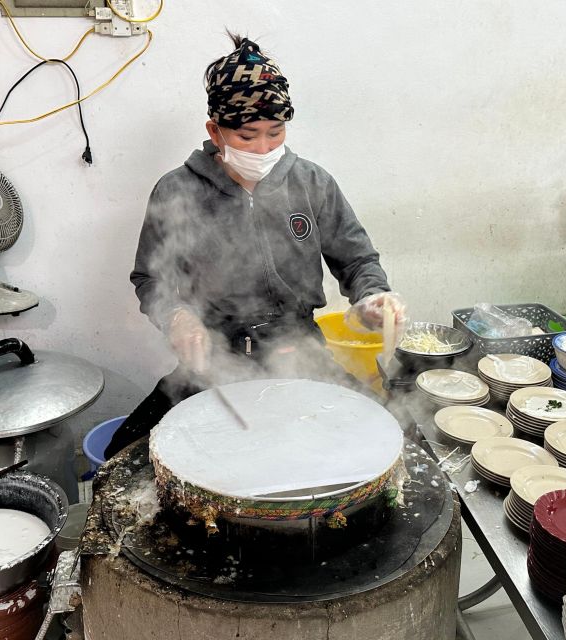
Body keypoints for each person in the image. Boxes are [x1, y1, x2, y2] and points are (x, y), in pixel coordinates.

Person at [105, 34, 406, 459]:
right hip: (215, 356)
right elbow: (150, 279)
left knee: (384, 439)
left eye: (275, 133)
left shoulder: (312, 183)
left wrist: (374, 296)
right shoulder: (177, 190)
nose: (264, 149)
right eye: (247, 136)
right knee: (126, 457)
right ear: (215, 130)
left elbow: (357, 261)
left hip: (299, 348)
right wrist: (176, 317)